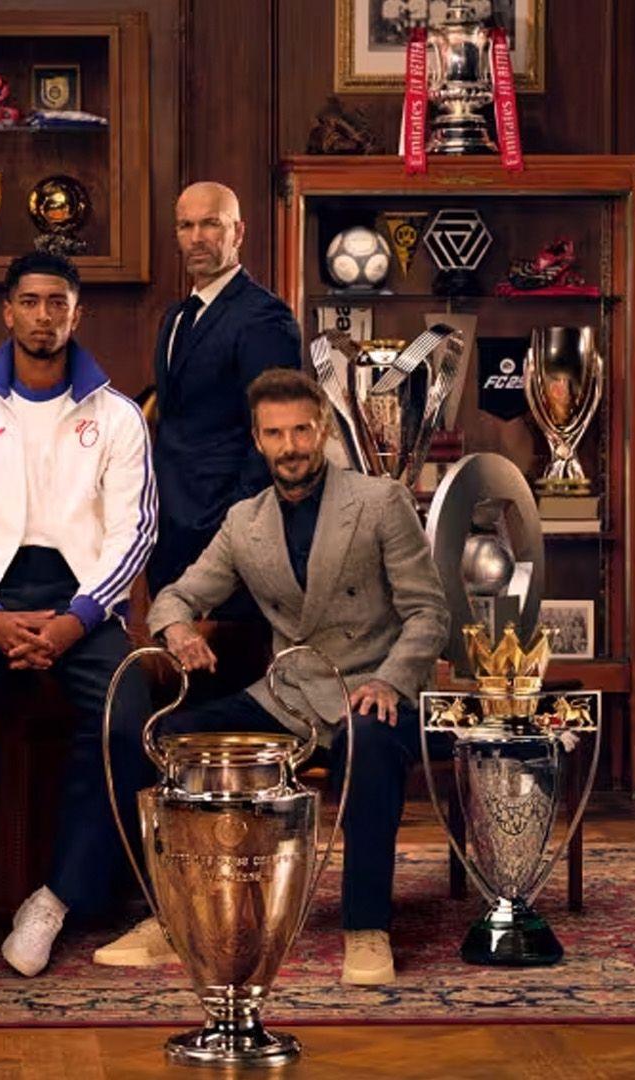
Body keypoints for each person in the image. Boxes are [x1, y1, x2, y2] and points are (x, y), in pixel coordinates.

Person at [98, 368, 448, 985]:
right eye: (275, 433)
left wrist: (392, 681)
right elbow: (176, 595)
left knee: (367, 744)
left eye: (302, 430)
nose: (290, 446)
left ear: (323, 429)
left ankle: (367, 930)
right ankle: (175, 918)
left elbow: (428, 611)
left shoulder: (379, 501)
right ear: (259, 441)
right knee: (170, 738)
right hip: (289, 697)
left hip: (373, 690)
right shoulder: (244, 522)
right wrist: (178, 632)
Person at [0, 252, 156, 997]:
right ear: (7, 312)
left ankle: (55, 900)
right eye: (31, 302)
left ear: (77, 315)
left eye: (59, 303)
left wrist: (78, 619)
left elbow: (134, 531)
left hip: (85, 599)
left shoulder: (116, 415)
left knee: (124, 717)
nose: (44, 315)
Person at [145, 181, 304, 618]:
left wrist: (231, 527)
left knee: (220, 676)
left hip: (226, 539)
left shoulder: (264, 318)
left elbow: (276, 436)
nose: (197, 237)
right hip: (168, 532)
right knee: (172, 675)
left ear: (239, 233)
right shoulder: (176, 318)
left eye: (211, 224)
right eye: (186, 225)